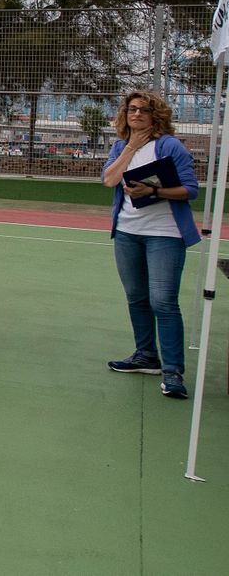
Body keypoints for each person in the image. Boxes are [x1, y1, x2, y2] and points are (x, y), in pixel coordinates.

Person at [101, 89, 199, 399]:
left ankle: (173, 371)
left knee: (163, 301)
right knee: (137, 297)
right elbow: (109, 180)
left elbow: (190, 189)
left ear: (155, 116)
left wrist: (154, 192)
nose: (137, 114)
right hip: (127, 232)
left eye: (144, 110)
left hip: (165, 234)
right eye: (132, 109)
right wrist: (131, 147)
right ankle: (146, 356)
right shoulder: (120, 146)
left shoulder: (168, 145)